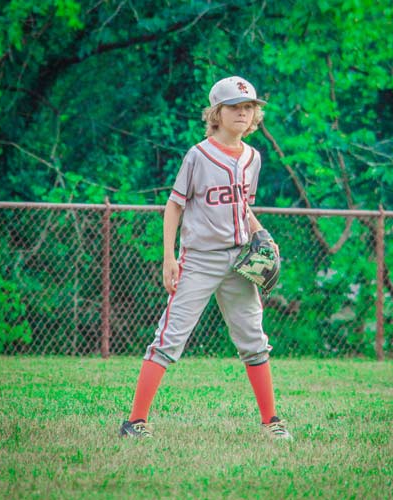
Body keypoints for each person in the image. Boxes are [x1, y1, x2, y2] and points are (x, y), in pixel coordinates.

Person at [119, 76, 292, 441]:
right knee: (169, 337)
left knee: (253, 339)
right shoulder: (199, 155)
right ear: (216, 113)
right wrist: (170, 257)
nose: (243, 113)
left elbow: (243, 207)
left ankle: (271, 420)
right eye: (234, 107)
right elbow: (174, 206)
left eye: (249, 107)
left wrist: (263, 235)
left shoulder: (253, 158)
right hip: (199, 259)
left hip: (239, 259)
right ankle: (135, 421)